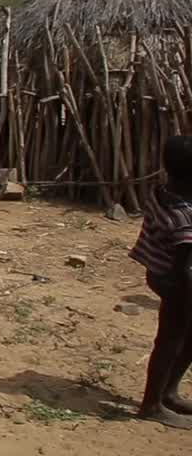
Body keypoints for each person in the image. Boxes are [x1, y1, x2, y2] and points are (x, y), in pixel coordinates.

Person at [131, 135, 192, 428]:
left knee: (185, 337)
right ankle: (152, 404)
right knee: (169, 340)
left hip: (158, 273)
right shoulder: (184, 217)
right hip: (178, 285)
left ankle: (168, 392)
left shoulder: (161, 193)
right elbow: (183, 267)